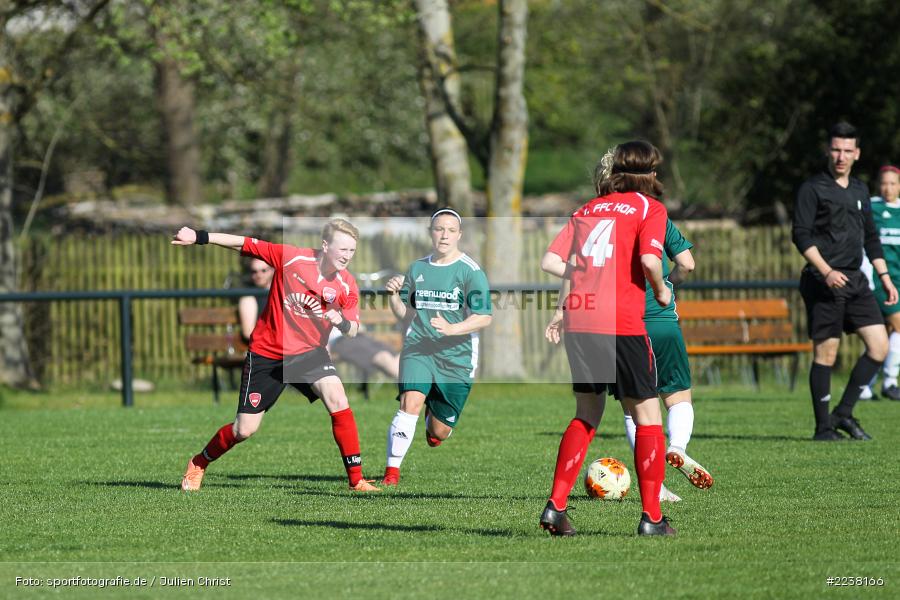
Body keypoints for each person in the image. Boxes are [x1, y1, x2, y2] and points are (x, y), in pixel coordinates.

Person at [173, 219, 380, 492]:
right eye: (342, 249)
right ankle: (199, 462)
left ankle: (357, 481)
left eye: (351, 251)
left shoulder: (347, 284)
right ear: (325, 245)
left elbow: (353, 328)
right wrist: (200, 236)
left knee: (338, 399)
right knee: (243, 430)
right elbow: (244, 243)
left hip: (309, 355)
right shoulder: (291, 257)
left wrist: (340, 321)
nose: (346, 256)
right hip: (267, 355)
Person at [539, 141, 675, 537]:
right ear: (649, 173)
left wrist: (585, 273)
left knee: (586, 413)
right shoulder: (649, 207)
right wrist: (662, 289)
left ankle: (556, 507)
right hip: (621, 322)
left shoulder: (589, 208)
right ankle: (652, 518)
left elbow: (549, 261)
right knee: (649, 418)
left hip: (580, 321)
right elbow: (651, 261)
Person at [792, 122, 898, 441]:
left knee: (879, 346)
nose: (841, 156)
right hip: (823, 280)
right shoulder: (812, 189)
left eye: (847, 150)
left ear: (857, 154)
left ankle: (843, 413)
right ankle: (823, 428)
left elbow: (870, 236)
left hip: (857, 280)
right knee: (827, 353)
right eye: (836, 149)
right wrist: (825, 270)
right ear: (828, 151)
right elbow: (800, 235)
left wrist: (885, 278)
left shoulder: (860, 190)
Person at [380, 208, 492, 486]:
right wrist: (394, 296)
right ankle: (391, 474)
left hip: (457, 357)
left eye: (450, 230)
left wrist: (453, 328)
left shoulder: (470, 271)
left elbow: (484, 316)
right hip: (419, 347)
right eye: (439, 229)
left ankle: (435, 414)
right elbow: (404, 315)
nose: (444, 235)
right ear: (431, 233)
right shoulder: (417, 268)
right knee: (410, 402)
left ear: (459, 235)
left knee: (439, 433)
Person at [625, 219, 712, 500]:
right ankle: (677, 447)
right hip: (663, 323)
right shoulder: (656, 216)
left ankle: (656, 486)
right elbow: (687, 264)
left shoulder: (603, 219)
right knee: (678, 398)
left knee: (633, 410)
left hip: (625, 326)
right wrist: (666, 287)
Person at [241, 257, 400, 380]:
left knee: (392, 358)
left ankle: (415, 392)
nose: (259, 275)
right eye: (254, 271)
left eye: (264, 270)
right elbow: (250, 333)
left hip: (341, 335)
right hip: (320, 341)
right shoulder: (250, 298)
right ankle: (413, 395)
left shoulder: (289, 288)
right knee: (385, 359)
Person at [859, 166, 900, 401]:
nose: (888, 188)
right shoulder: (871, 207)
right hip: (879, 280)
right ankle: (891, 381)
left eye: (893, 183)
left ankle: (865, 385)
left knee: (883, 335)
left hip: (899, 280)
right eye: (884, 183)